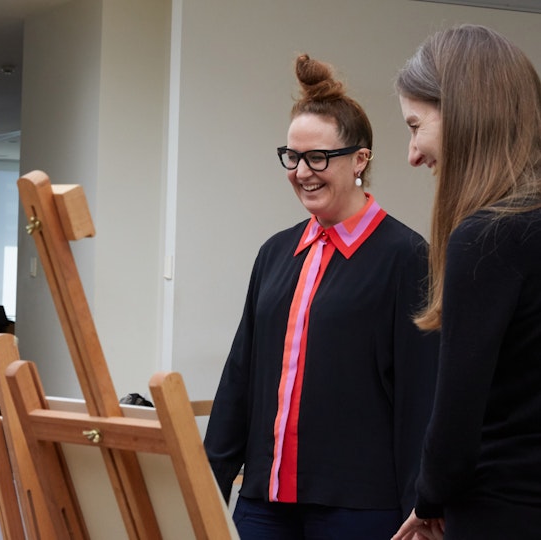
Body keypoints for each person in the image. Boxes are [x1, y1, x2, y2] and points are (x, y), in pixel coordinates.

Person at [203, 53, 440, 539]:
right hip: (264, 503)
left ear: (360, 159)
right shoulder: (275, 253)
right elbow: (241, 375)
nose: (302, 171)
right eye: (292, 157)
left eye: (318, 157)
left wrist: (422, 505)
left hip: (359, 508)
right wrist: (209, 481)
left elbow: (422, 396)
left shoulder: (407, 256)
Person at [392, 24, 541, 540]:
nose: (413, 154)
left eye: (415, 125)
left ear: (462, 114)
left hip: (500, 512)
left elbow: (457, 415)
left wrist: (429, 496)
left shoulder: (488, 237)